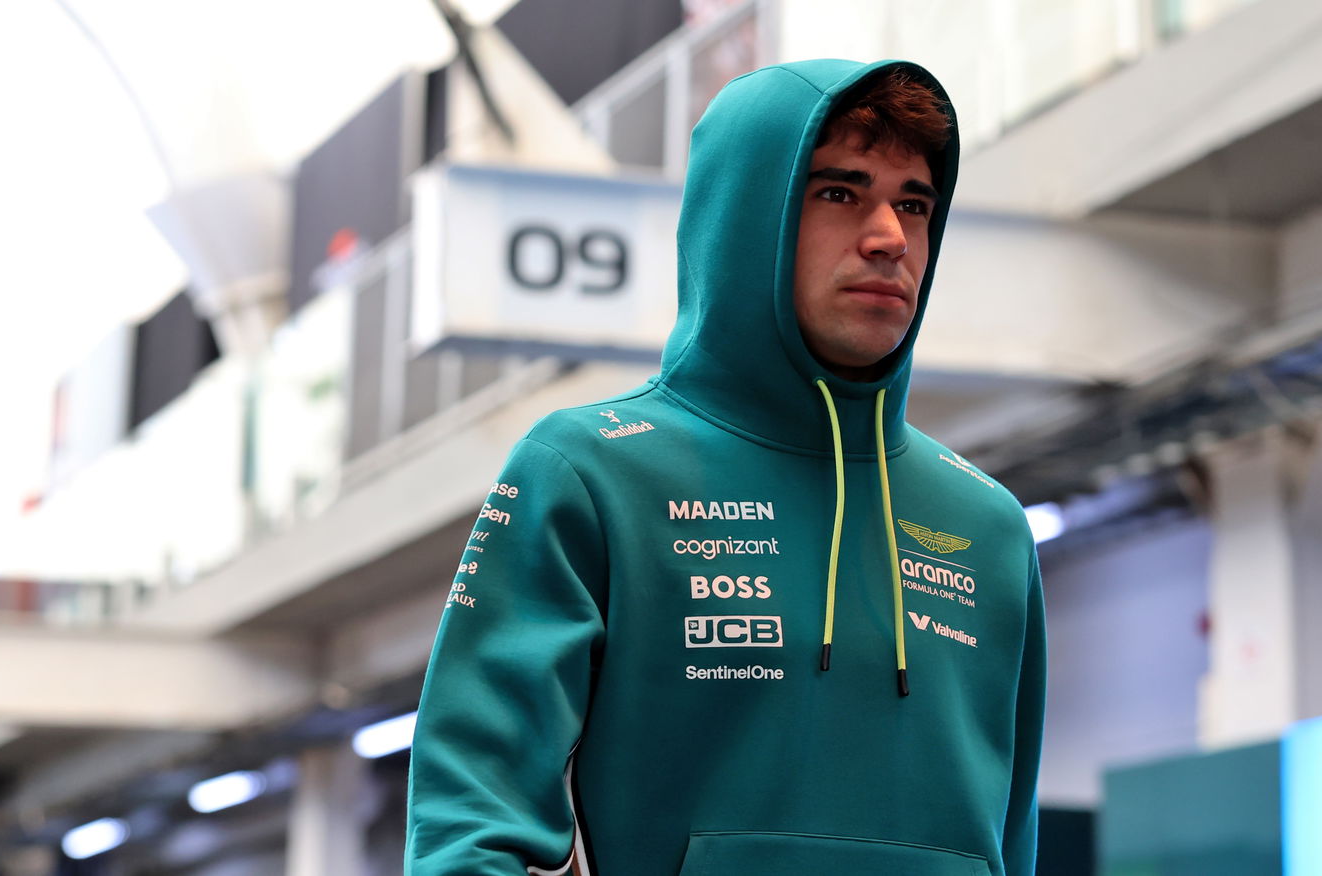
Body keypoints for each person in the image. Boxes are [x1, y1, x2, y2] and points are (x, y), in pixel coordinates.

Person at [406, 59, 1046, 876]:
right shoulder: (591, 472)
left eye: (914, 204)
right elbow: (472, 823)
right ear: (748, 216)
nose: (890, 236)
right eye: (840, 192)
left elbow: (1012, 840)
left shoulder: (988, 527)